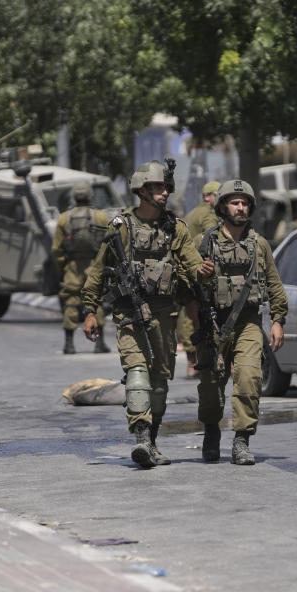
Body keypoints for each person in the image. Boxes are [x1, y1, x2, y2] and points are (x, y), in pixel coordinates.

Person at [81, 160, 209, 468]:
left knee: (160, 384)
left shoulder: (175, 228)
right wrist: (90, 311)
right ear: (142, 190)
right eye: (157, 187)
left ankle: (151, 440)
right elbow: (97, 272)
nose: (164, 192)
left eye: (166, 187)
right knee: (137, 374)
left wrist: (201, 270)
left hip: (165, 315)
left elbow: (191, 262)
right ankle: (140, 438)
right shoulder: (121, 227)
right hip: (129, 316)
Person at [195, 179, 288, 465]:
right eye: (235, 202)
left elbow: (274, 284)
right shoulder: (206, 242)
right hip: (213, 322)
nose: (240, 207)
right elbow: (186, 285)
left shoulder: (259, 244)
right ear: (222, 206)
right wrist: (201, 274)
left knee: (249, 378)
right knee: (211, 388)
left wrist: (277, 320)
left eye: (245, 202)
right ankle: (211, 431)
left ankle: (241, 440)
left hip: (248, 321)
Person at [51, 180, 110, 355]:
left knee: (70, 301)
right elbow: (109, 244)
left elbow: (56, 248)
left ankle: (69, 344)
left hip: (73, 265)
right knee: (97, 301)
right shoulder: (101, 216)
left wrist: (63, 265)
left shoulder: (64, 218)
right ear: (90, 194)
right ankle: (99, 344)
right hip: (94, 265)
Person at [177, 181, 221, 377]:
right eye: (217, 195)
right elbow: (212, 240)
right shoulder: (207, 216)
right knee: (196, 315)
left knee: (188, 314)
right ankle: (197, 361)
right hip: (200, 266)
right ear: (207, 196)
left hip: (185, 266)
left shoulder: (192, 213)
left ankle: (191, 361)